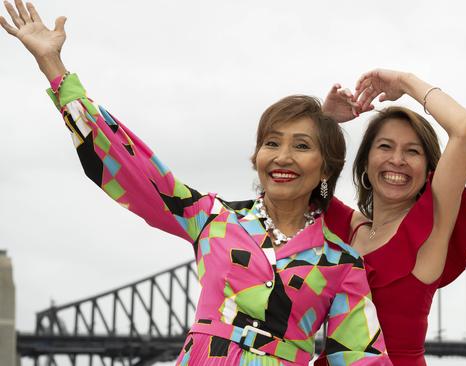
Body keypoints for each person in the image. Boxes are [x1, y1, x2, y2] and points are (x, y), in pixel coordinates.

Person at [0, 1, 393, 365]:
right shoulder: (212, 218)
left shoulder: (342, 264)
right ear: (257, 157)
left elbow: (362, 358)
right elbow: (132, 165)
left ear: (325, 169)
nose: (282, 157)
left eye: (301, 146)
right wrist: (54, 68)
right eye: (271, 143)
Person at [320, 69, 466, 366]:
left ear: (427, 168)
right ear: (365, 162)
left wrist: (404, 82)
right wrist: (325, 121)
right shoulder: (349, 230)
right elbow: (304, 178)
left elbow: (465, 129)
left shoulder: (430, 231)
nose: (397, 160)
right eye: (385, 147)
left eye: (412, 151)